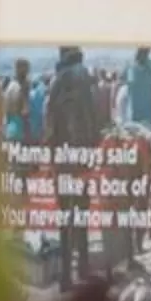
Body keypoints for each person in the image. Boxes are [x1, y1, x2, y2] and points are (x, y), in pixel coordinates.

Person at [42, 45, 102, 288]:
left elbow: (49, 127)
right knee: (82, 215)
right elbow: (95, 119)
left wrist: (52, 161)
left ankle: (66, 276)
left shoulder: (56, 83)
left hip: (63, 160)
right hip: (83, 159)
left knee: (65, 217)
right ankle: (84, 268)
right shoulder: (86, 78)